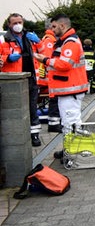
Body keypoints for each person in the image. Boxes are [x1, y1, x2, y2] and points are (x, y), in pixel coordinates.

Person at [33, 14, 89, 144]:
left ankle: (73, 152)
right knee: (68, 122)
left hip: (71, 90)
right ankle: (69, 150)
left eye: (54, 26)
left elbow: (64, 64)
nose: (51, 30)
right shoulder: (65, 41)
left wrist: (45, 60)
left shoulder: (70, 42)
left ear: (62, 25)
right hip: (68, 90)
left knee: (71, 123)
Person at [0, 13, 43, 146]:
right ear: (9, 24)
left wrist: (39, 42)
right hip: (14, 80)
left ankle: (34, 135)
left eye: (20, 22)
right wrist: (7, 58)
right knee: (16, 110)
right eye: (15, 23)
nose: (18, 25)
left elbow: (44, 54)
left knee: (32, 108)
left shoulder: (29, 37)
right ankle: (15, 135)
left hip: (32, 78)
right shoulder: (4, 40)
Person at [37, 18, 62, 133]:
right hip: (49, 78)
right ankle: (54, 124)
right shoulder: (49, 41)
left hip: (50, 76)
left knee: (55, 98)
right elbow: (47, 59)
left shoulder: (52, 39)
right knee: (54, 98)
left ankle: (55, 123)